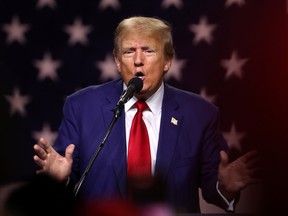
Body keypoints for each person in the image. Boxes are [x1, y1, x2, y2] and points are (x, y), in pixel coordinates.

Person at [33, 16, 259, 214]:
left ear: (167, 61)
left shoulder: (200, 114)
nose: (138, 60)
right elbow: (65, 186)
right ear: (117, 61)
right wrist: (58, 180)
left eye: (149, 51)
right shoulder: (82, 106)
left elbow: (213, 188)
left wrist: (225, 187)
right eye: (129, 51)